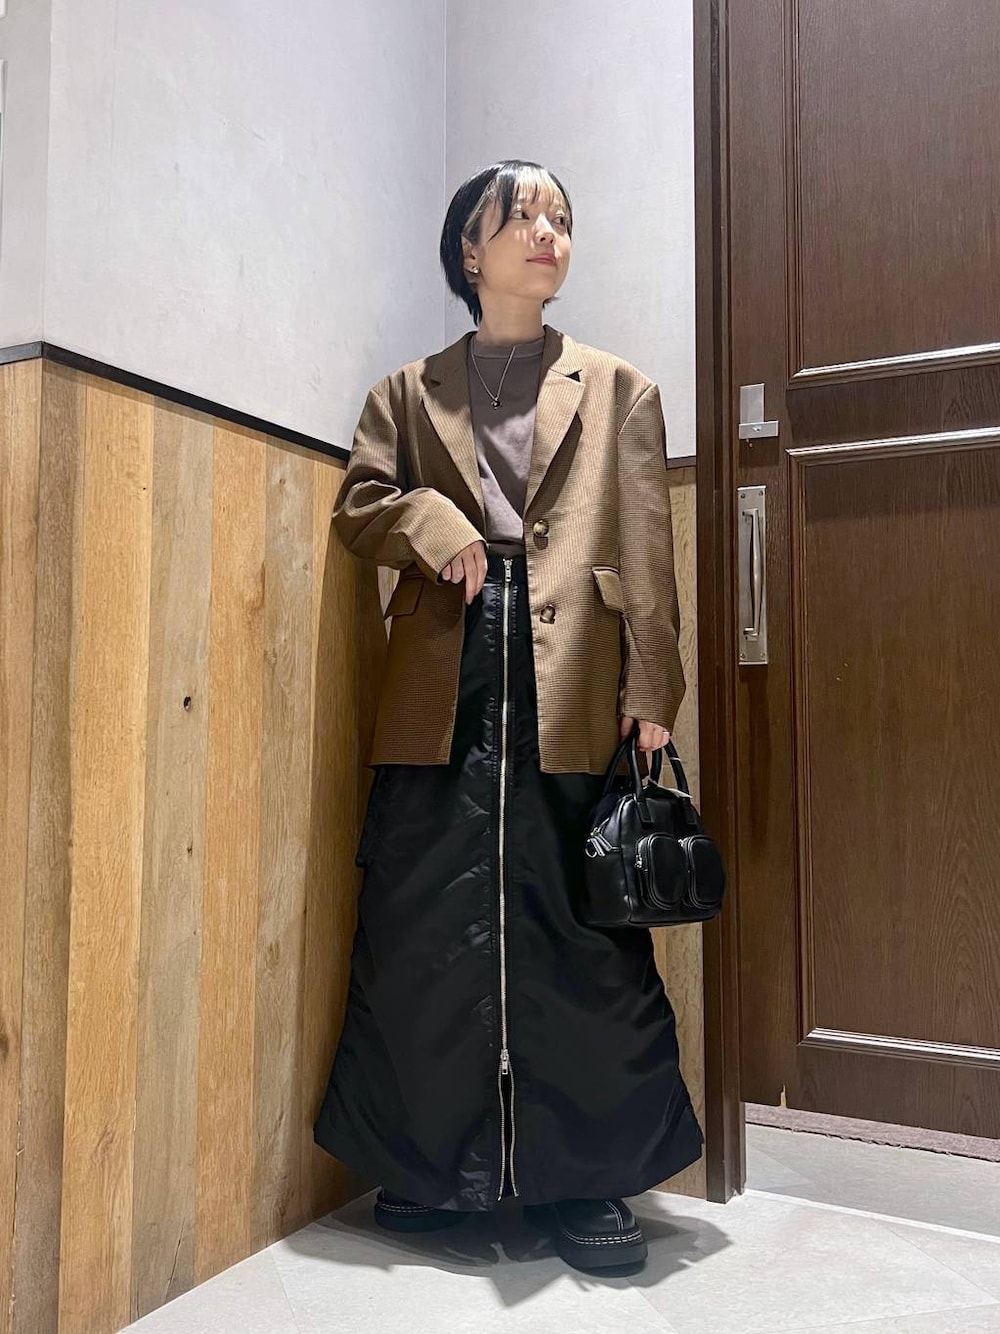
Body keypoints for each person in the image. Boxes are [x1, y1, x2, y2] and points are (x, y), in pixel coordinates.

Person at [313, 159, 703, 1275]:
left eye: (559, 218)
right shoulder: (406, 391)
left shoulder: (620, 389)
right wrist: (434, 523)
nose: (546, 233)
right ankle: (431, 1165)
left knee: (579, 924)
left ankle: (584, 1180)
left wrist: (651, 691)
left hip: (572, 668)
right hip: (443, 664)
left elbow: (645, 547)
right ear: (469, 251)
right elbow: (359, 503)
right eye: (520, 215)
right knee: (423, 916)